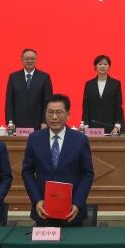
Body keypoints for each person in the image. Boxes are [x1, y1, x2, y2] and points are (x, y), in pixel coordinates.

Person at [22, 94, 95, 226]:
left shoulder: (80, 140)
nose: (54, 117)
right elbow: (27, 172)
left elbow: (87, 174)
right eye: (50, 112)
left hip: (72, 212)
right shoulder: (34, 138)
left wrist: (77, 203)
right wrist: (37, 200)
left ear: (68, 114)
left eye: (59, 112)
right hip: (43, 211)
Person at [5, 48, 53, 130]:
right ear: (22, 60)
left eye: (32, 58)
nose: (30, 61)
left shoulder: (44, 77)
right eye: (27, 59)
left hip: (39, 124)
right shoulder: (13, 77)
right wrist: (10, 121)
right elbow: (9, 101)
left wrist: (45, 121)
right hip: (18, 123)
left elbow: (48, 102)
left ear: (36, 60)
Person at [81, 54, 125, 134]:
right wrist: (85, 124)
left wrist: (117, 125)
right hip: (93, 126)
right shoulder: (89, 84)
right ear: (95, 67)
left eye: (105, 64)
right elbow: (85, 106)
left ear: (109, 67)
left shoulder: (115, 84)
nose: (102, 66)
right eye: (100, 64)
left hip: (111, 126)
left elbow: (118, 106)